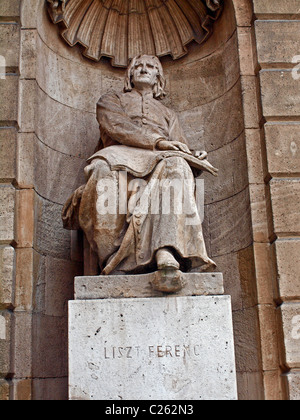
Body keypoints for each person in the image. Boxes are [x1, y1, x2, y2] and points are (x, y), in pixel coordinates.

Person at [62, 55, 217, 291]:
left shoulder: (167, 114)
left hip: (161, 158)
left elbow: (179, 145)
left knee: (177, 165)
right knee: (101, 171)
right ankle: (114, 259)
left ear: (158, 77)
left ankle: (165, 251)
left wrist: (194, 155)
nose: (144, 69)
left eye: (151, 67)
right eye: (138, 66)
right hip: (118, 154)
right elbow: (115, 126)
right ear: (130, 75)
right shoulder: (111, 100)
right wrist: (158, 142)